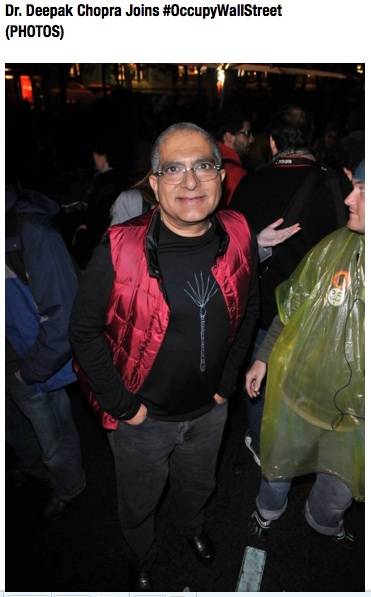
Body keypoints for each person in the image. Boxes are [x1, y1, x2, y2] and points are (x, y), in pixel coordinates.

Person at [70, 122, 260, 590]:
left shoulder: (238, 231)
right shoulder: (121, 247)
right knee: (138, 502)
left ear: (222, 176)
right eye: (174, 168)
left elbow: (250, 306)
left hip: (210, 412)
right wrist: (124, 407)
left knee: (198, 487)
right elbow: (83, 331)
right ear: (154, 183)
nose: (190, 181)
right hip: (143, 420)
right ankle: (141, 555)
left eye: (203, 166)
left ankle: (192, 529)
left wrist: (225, 385)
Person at [245, 160, 365, 542]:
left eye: (363, 189)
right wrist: (263, 357)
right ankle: (268, 510)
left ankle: (323, 520)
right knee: (280, 460)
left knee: (340, 482)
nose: (349, 198)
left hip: (356, 416)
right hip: (300, 392)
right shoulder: (335, 246)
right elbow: (292, 309)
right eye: (353, 185)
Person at [230, 105, 352, 465]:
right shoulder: (338, 184)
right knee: (310, 383)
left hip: (264, 309)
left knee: (258, 382)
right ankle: (307, 446)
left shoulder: (250, 184)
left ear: (271, 143)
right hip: (319, 310)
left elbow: (232, 251)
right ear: (312, 142)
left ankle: (259, 440)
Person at [5, 186, 86, 520]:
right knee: (18, 433)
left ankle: (70, 487)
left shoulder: (32, 234)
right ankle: (33, 471)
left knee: (55, 440)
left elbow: (63, 319)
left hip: (30, 364)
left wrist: (30, 371)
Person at [216, 117, 252, 206]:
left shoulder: (210, 160)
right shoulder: (236, 173)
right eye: (247, 133)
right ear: (228, 137)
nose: (251, 139)